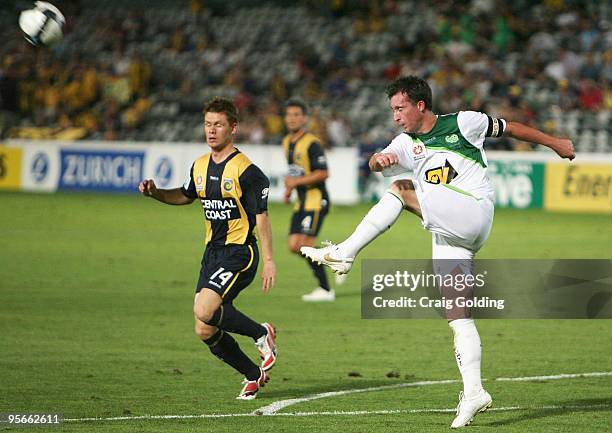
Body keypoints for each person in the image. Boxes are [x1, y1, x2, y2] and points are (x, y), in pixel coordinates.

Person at [301, 76, 575, 428]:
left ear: (419, 105)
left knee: (402, 188)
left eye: (400, 108)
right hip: (452, 234)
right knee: (458, 316)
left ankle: (346, 252)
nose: (396, 116)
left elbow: (511, 129)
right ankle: (475, 392)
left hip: (474, 211)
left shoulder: (463, 123)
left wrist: (554, 143)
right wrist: (378, 159)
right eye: (392, 110)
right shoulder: (404, 143)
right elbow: (377, 159)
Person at [139, 97, 277, 400]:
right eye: (207, 124)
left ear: (233, 128)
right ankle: (253, 375)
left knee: (206, 309)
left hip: (240, 252)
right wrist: (156, 193)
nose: (211, 130)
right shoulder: (200, 166)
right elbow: (186, 195)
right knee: (203, 328)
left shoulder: (247, 172)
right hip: (212, 254)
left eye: (218, 125)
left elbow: (262, 218)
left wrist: (269, 260)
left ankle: (260, 333)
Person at [282, 98, 335, 301]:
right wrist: (289, 189)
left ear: (304, 118)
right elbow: (294, 172)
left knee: (304, 245)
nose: (292, 119)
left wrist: (296, 183)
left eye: (297, 115)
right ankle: (333, 258)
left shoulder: (312, 143)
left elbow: (323, 173)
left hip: (316, 200)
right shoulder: (287, 142)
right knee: (293, 245)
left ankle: (325, 290)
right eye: (289, 115)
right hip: (301, 201)